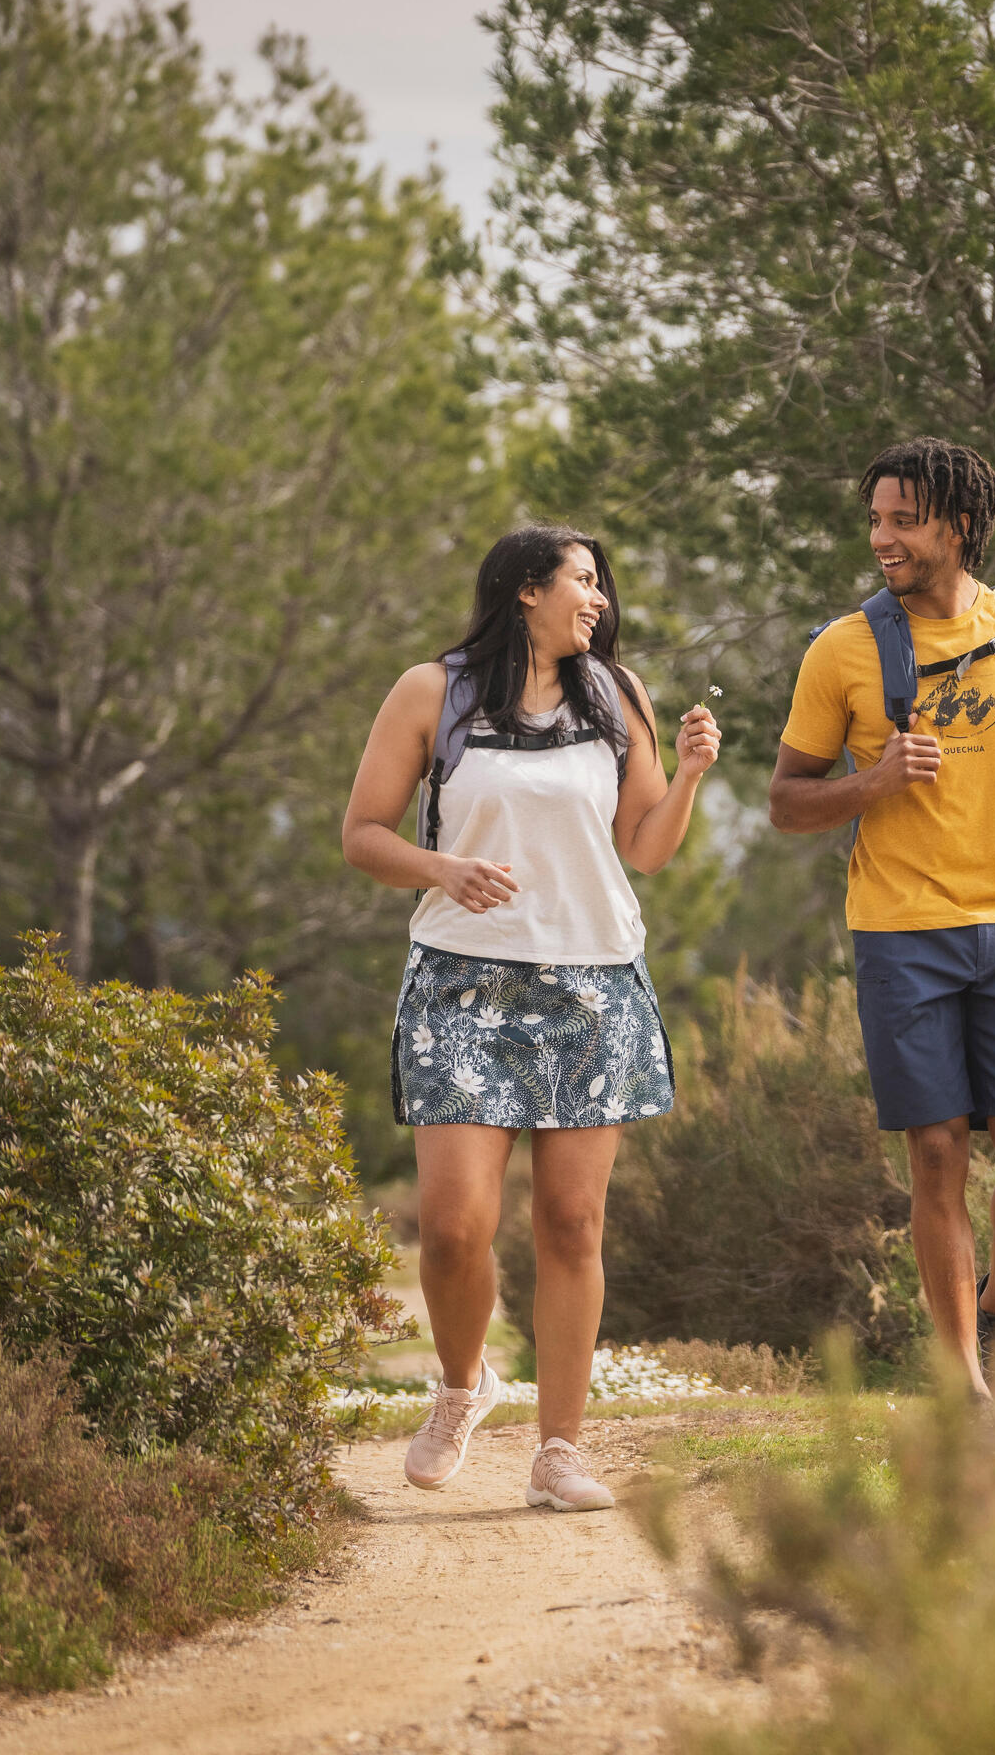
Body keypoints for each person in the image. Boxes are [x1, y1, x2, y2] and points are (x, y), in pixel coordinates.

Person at [340, 526, 719, 1509]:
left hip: (593, 985)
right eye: (581, 581)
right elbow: (363, 832)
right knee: (456, 1226)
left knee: (571, 1221)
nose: (597, 598)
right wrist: (443, 869)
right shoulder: (434, 690)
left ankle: (559, 1450)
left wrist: (685, 777)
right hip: (460, 985)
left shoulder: (615, 694)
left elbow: (647, 849)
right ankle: (462, 1387)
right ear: (522, 590)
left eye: (600, 583)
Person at [769, 438, 995, 1414]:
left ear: (957, 525)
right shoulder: (844, 649)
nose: (882, 537)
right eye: (874, 519)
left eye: (902, 519)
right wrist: (869, 783)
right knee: (936, 1155)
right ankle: (962, 1381)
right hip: (900, 936)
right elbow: (786, 800)